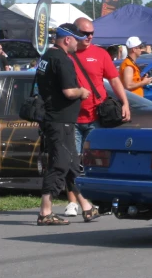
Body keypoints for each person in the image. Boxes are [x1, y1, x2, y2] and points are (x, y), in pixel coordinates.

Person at [63, 17, 131, 217]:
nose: (89, 37)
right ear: (74, 34)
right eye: (84, 33)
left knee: (97, 161)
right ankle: (73, 202)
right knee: (72, 161)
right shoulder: (65, 55)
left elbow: (115, 80)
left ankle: (101, 201)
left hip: (96, 117)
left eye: (92, 33)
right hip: (73, 117)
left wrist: (125, 103)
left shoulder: (100, 54)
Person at [35, 23, 100, 226]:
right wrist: (82, 91)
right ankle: (45, 212)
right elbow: (69, 92)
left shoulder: (47, 57)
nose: (79, 44)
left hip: (57, 118)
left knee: (72, 164)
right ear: (67, 39)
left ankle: (87, 207)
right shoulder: (62, 60)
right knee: (60, 163)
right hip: (59, 120)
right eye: (77, 40)